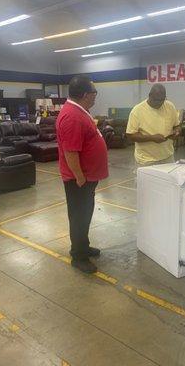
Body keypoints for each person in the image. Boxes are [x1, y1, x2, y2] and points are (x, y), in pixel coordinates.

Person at [56, 75, 108, 273]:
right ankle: (78, 256)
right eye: (94, 93)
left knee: (84, 214)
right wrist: (79, 177)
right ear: (86, 94)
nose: (96, 97)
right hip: (79, 180)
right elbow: (70, 151)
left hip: (86, 178)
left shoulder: (80, 111)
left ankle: (83, 247)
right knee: (79, 216)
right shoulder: (72, 116)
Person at [126, 83, 180, 167]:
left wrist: (177, 131)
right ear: (149, 95)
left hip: (168, 157)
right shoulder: (137, 111)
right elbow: (130, 135)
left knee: (168, 180)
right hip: (146, 160)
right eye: (156, 100)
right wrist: (152, 138)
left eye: (162, 100)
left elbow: (177, 125)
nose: (159, 103)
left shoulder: (170, 107)